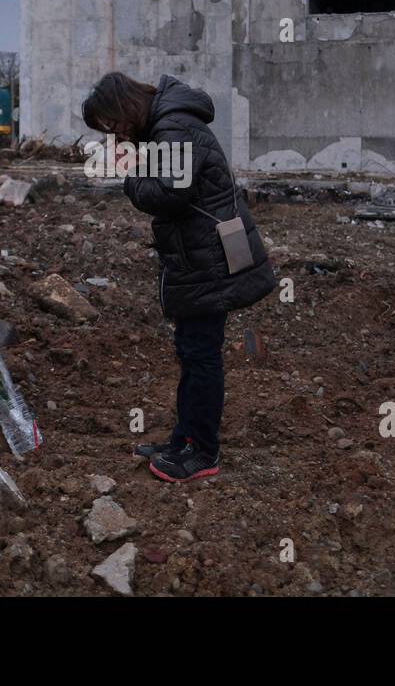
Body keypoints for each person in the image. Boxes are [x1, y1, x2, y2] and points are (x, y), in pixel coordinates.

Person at [82, 72, 276, 482]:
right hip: (199, 257)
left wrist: (130, 170)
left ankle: (202, 452)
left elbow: (168, 194)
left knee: (201, 354)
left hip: (209, 259)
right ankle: (183, 440)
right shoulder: (169, 125)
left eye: (111, 123)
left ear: (124, 108)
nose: (113, 132)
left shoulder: (176, 127)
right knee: (191, 350)